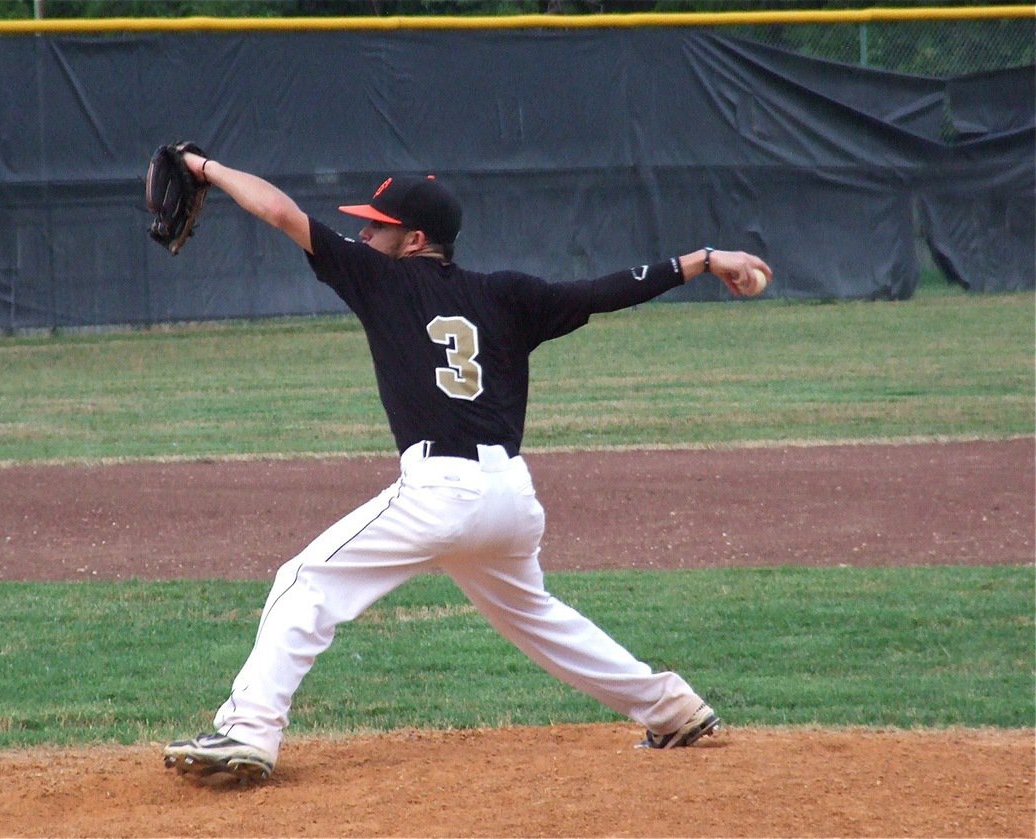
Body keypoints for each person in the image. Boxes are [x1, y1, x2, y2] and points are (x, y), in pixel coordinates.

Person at [163, 155, 773, 782]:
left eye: (377, 226)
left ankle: (248, 732)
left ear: (415, 240)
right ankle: (672, 709)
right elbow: (609, 289)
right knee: (537, 618)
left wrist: (202, 166)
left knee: (305, 582)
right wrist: (702, 260)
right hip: (510, 498)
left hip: (439, 492)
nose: (366, 236)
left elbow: (279, 211)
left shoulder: (379, 278)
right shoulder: (507, 294)